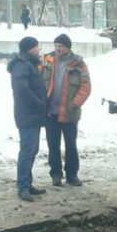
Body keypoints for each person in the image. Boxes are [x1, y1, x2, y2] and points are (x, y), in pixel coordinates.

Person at [41, 34, 92, 187]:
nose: (57, 49)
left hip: (69, 113)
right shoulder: (47, 60)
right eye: (55, 45)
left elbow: (86, 86)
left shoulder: (79, 63)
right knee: (53, 145)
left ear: (68, 47)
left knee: (70, 144)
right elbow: (38, 80)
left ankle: (72, 175)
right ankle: (56, 174)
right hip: (51, 112)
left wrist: (74, 103)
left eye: (60, 46)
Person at [8, 36, 49, 201]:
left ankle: (27, 183)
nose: (39, 50)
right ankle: (22, 187)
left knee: (32, 150)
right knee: (27, 151)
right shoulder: (21, 65)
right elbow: (22, 90)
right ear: (29, 49)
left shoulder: (29, 64)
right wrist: (39, 103)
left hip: (33, 115)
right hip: (27, 114)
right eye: (36, 47)